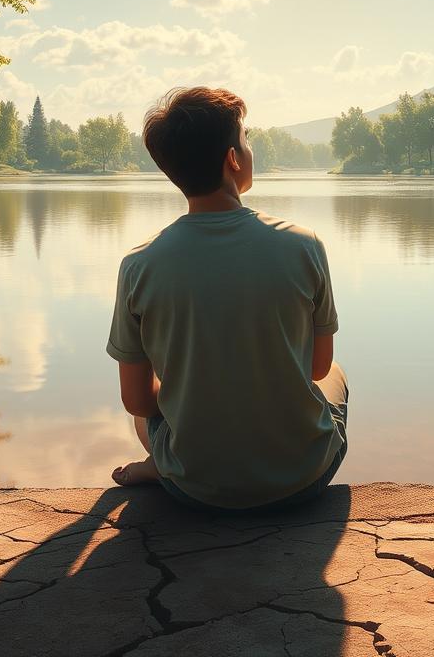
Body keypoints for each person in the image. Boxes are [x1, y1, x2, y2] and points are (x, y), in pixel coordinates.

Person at [106, 86, 348, 512]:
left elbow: (138, 402)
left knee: (153, 394)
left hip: (195, 489)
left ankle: (164, 465)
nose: (249, 149)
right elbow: (316, 367)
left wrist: (193, 383)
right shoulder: (303, 245)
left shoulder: (139, 265)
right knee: (337, 374)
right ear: (233, 159)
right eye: (246, 138)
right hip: (302, 480)